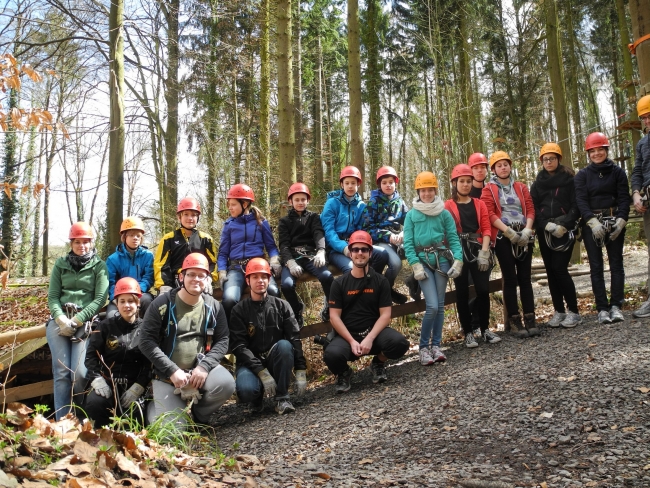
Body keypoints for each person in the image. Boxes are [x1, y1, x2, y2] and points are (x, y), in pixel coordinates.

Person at [139, 253, 235, 427]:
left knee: (226, 384)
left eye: (201, 275)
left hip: (199, 371)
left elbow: (223, 340)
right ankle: (154, 406)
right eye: (191, 274)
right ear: (181, 277)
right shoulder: (162, 304)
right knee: (171, 431)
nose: (196, 279)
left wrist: (204, 367)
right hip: (168, 377)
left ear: (207, 280)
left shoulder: (213, 306)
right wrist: (172, 371)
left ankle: (200, 416)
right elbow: (145, 341)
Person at [324, 231, 409, 393]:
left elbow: (385, 315)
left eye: (364, 249)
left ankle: (378, 363)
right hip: (348, 336)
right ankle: (344, 372)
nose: (360, 253)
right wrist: (351, 341)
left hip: (374, 334)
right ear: (350, 253)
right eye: (356, 250)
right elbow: (334, 317)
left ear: (371, 252)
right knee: (331, 355)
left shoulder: (380, 281)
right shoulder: (339, 284)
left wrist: (369, 338)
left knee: (399, 344)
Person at [47, 222, 109, 420]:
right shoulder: (60, 264)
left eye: (86, 242)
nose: (82, 246)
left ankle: (81, 418)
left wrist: (77, 320)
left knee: (80, 374)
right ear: (71, 243)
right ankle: (62, 421)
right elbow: (53, 296)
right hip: (60, 320)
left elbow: (101, 298)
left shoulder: (99, 266)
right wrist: (61, 318)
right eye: (78, 242)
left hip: (84, 322)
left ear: (91, 243)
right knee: (62, 373)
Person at [230, 258, 307, 414]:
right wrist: (260, 371)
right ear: (248, 280)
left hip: (275, 358)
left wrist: (301, 369)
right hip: (250, 365)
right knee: (247, 390)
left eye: (264, 276)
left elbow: (294, 338)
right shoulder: (239, 310)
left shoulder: (281, 305)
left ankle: (282, 398)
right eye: (255, 277)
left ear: (269, 279)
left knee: (285, 345)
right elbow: (239, 346)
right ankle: (256, 399)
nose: (260, 281)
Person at [403, 172, 463, 365]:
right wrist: (415, 265)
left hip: (441, 260)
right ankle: (423, 348)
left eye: (430, 190)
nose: (427, 194)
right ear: (418, 191)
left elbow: (453, 238)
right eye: (423, 190)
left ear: (435, 190)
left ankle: (436, 346)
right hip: (423, 262)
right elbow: (408, 243)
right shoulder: (411, 215)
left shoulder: (444, 213)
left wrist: (458, 260)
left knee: (441, 305)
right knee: (432, 306)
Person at [574, 132, 630, 324]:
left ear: (606, 150)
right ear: (588, 153)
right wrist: (591, 221)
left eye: (600, 150)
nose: (597, 153)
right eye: (593, 151)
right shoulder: (582, 175)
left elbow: (624, 197)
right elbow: (581, 200)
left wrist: (622, 219)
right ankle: (602, 308)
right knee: (596, 266)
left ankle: (616, 305)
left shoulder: (618, 172)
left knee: (616, 263)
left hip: (614, 220)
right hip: (592, 223)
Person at [482, 151, 539, 338]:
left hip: (523, 233)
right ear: (494, 169)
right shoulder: (488, 190)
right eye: (499, 165)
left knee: (525, 277)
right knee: (510, 278)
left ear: (510, 166)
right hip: (503, 236)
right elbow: (489, 213)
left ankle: (530, 317)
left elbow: (530, 209)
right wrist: (508, 232)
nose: (503, 167)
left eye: (505, 164)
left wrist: (527, 230)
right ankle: (514, 320)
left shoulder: (521, 187)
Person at [444, 164, 501, 347]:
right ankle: (468, 332)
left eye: (468, 181)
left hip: (478, 248)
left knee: (483, 290)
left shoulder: (479, 204)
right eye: (462, 181)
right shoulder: (448, 206)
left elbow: (486, 228)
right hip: (458, 251)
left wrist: (485, 252)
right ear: (455, 183)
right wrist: (455, 256)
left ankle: (484, 329)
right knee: (462, 292)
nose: (466, 185)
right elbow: (447, 232)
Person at [84, 278, 151, 428]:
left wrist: (139, 386)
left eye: (131, 301)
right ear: (116, 304)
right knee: (95, 403)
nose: (127, 305)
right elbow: (91, 356)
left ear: (138, 303)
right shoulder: (105, 327)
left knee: (135, 421)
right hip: (108, 384)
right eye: (122, 301)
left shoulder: (146, 330)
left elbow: (149, 363)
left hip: (133, 387)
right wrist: (96, 378)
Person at [530, 143, 582, 328]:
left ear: (559, 159)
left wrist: (566, 224)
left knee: (560, 268)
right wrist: (545, 225)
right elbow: (534, 208)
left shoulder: (570, 180)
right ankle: (559, 311)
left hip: (564, 229)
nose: (549, 161)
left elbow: (576, 205)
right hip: (546, 231)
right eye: (545, 159)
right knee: (551, 271)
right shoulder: (537, 184)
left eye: (552, 158)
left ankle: (574, 311)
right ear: (541, 161)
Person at [218, 184, 282, 320]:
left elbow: (271, 246)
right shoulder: (228, 225)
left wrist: (275, 260)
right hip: (236, 268)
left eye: (233, 204)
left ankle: (275, 328)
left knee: (273, 291)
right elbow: (223, 253)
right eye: (229, 204)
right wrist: (222, 271)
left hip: (258, 266)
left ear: (245, 204)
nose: (229, 207)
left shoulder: (261, 222)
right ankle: (229, 336)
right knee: (229, 299)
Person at [278, 182, 334, 325]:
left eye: (303, 199)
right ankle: (296, 309)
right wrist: (290, 262)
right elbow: (284, 244)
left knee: (327, 276)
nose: (300, 202)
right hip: (293, 257)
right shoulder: (284, 221)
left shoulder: (314, 217)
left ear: (308, 200)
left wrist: (321, 251)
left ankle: (331, 306)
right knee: (286, 285)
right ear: (290, 201)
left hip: (311, 255)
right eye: (297, 200)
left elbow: (318, 234)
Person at [321, 166, 388, 276]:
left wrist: (360, 246)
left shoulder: (361, 206)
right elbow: (328, 231)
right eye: (347, 183)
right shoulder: (332, 204)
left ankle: (372, 286)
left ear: (358, 184)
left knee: (381, 254)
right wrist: (344, 248)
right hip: (335, 249)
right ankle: (355, 290)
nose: (350, 186)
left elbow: (362, 229)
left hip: (356, 245)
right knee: (352, 269)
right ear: (342, 185)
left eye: (353, 183)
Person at [362, 166, 409, 304]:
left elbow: (410, 222)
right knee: (396, 263)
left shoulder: (400, 202)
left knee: (420, 254)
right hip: (381, 241)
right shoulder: (373, 203)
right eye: (384, 182)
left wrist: (403, 232)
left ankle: (411, 286)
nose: (388, 185)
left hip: (399, 239)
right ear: (379, 185)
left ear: (395, 183)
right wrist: (387, 236)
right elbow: (367, 229)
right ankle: (385, 291)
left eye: (391, 182)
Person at [153, 197, 218, 294]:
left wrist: (209, 278)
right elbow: (161, 265)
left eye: (193, 215)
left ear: (198, 218)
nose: (190, 218)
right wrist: (164, 285)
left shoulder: (206, 239)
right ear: (179, 217)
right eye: (186, 215)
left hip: (198, 280)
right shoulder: (168, 239)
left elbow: (212, 263)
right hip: (174, 282)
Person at [106, 216, 154, 318]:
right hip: (120, 295)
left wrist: (137, 291)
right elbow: (111, 282)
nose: (135, 238)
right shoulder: (113, 259)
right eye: (131, 235)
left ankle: (147, 332)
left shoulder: (148, 256)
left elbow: (148, 277)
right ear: (124, 237)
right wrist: (116, 297)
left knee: (148, 302)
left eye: (138, 235)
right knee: (111, 316)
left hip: (141, 294)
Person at [631, 95, 650, 318]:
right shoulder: (643, 143)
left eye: (649, 116)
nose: (647, 121)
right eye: (644, 118)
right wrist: (636, 193)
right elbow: (637, 171)